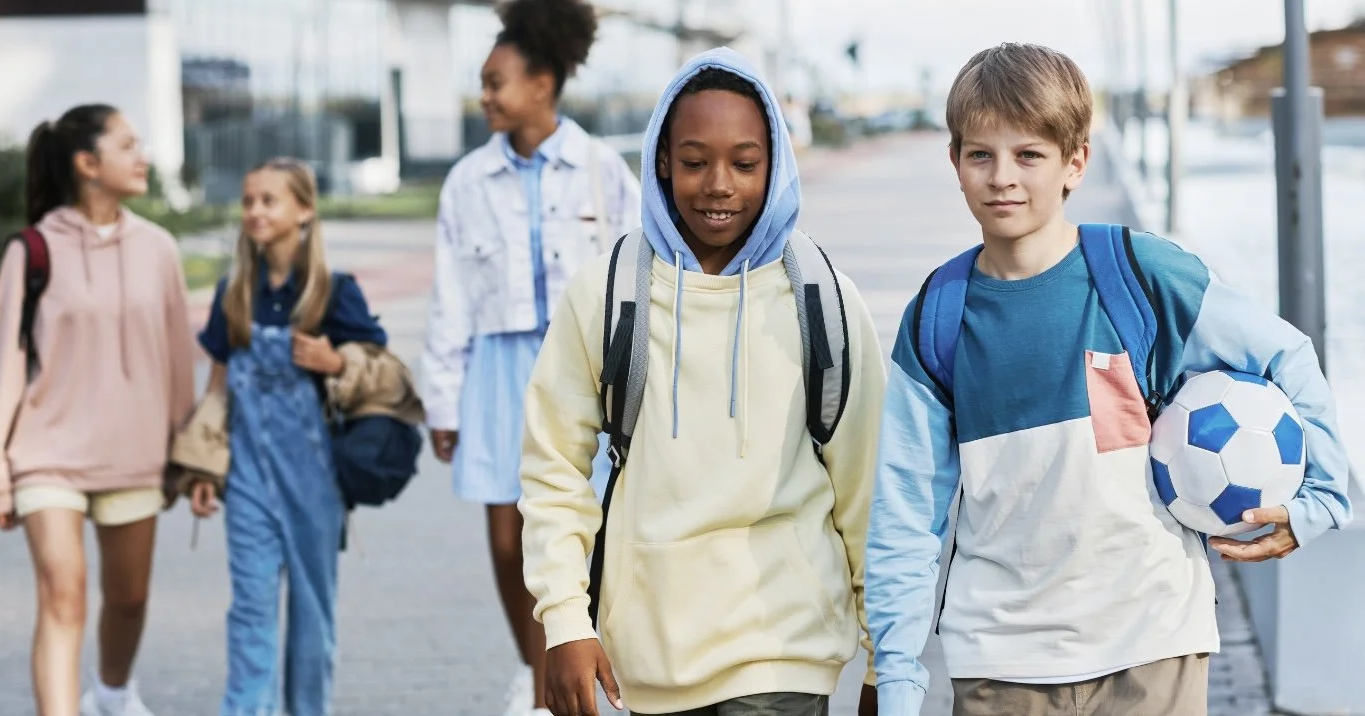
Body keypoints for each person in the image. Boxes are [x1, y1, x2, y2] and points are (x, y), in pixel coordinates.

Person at [865, 43, 1353, 716]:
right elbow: (906, 511)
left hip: (1153, 643)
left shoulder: (1143, 275)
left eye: (1028, 154)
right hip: (999, 660)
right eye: (981, 154)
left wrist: (1323, 500)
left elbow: (1287, 354)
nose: (1002, 176)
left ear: (1075, 162)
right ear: (955, 163)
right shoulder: (940, 314)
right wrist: (896, 676)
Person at [518, 48, 885, 716]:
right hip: (646, 663)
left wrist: (884, 655)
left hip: (785, 652)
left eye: (744, 163)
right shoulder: (606, 294)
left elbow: (866, 491)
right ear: (661, 161)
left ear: (774, 164)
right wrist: (566, 621)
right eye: (695, 162)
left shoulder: (823, 300)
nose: (720, 184)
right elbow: (553, 472)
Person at [418, 1, 640, 713]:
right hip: (497, 371)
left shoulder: (603, 170)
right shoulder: (465, 182)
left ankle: (589, 656)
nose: (484, 95)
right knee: (509, 539)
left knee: (589, 529)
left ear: (542, 81)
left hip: (583, 367)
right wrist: (443, 400)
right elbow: (449, 297)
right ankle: (534, 670)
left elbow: (637, 272)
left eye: (496, 81)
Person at [0, 104, 195, 716]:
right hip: (48, 456)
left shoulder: (159, 249)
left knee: (128, 598)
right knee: (62, 596)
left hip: (135, 456)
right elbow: (6, 365)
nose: (142, 156)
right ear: (87, 163)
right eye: (129, 145)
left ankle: (114, 692)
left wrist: (188, 456)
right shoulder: (34, 249)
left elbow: (179, 360)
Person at [184, 157, 387, 716]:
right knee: (249, 612)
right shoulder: (234, 293)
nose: (254, 211)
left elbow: (382, 370)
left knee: (312, 618)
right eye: (248, 200)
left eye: (268, 200)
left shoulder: (333, 292)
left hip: (315, 487)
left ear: (305, 210)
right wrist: (203, 468)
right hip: (247, 483)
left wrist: (333, 359)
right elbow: (218, 388)